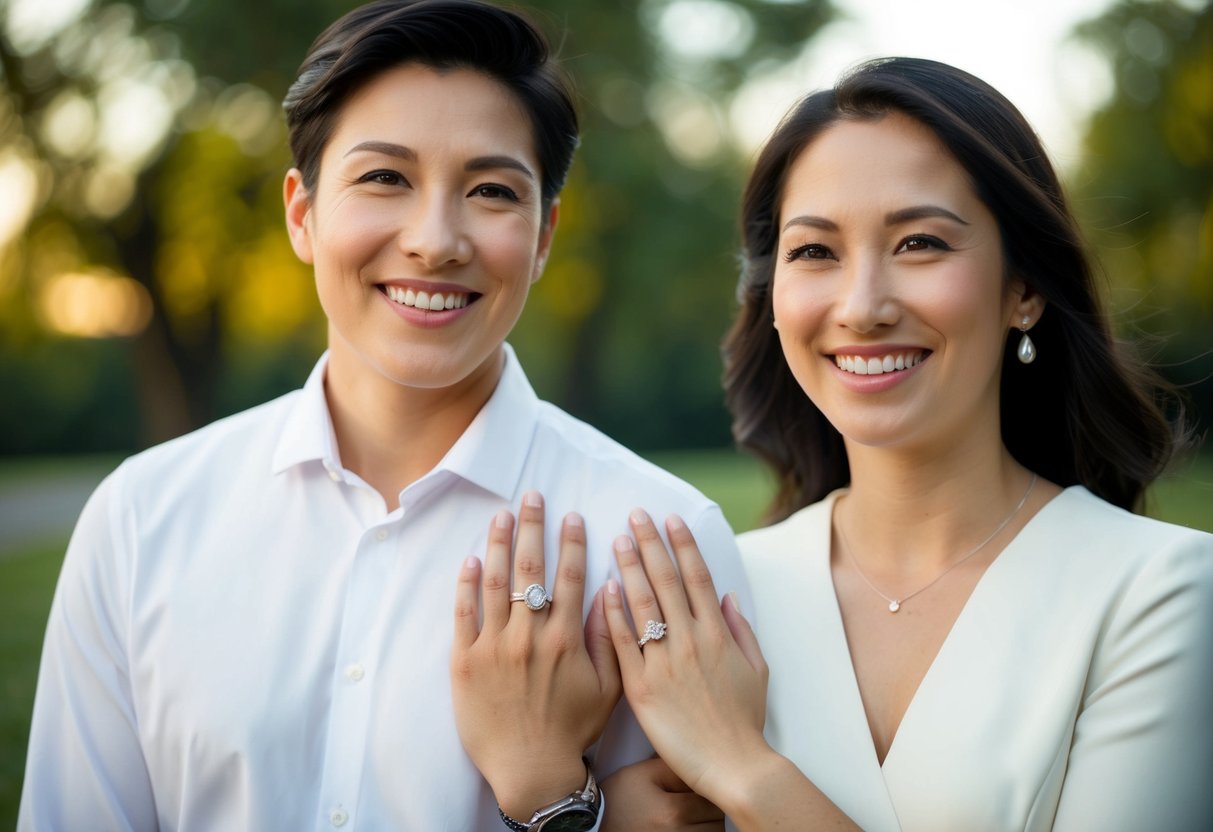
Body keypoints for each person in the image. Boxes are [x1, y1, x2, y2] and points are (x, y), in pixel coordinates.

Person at [17, 2, 749, 829]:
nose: (435, 241)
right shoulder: (141, 520)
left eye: (490, 190)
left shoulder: (657, 542)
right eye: (384, 177)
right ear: (302, 213)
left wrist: (551, 796)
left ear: (543, 237)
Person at [545, 57, 1213, 829]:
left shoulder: (1160, 592)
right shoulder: (715, 595)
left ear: (1023, 289)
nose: (861, 308)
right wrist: (574, 809)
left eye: (919, 243)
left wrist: (743, 772)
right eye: (814, 252)